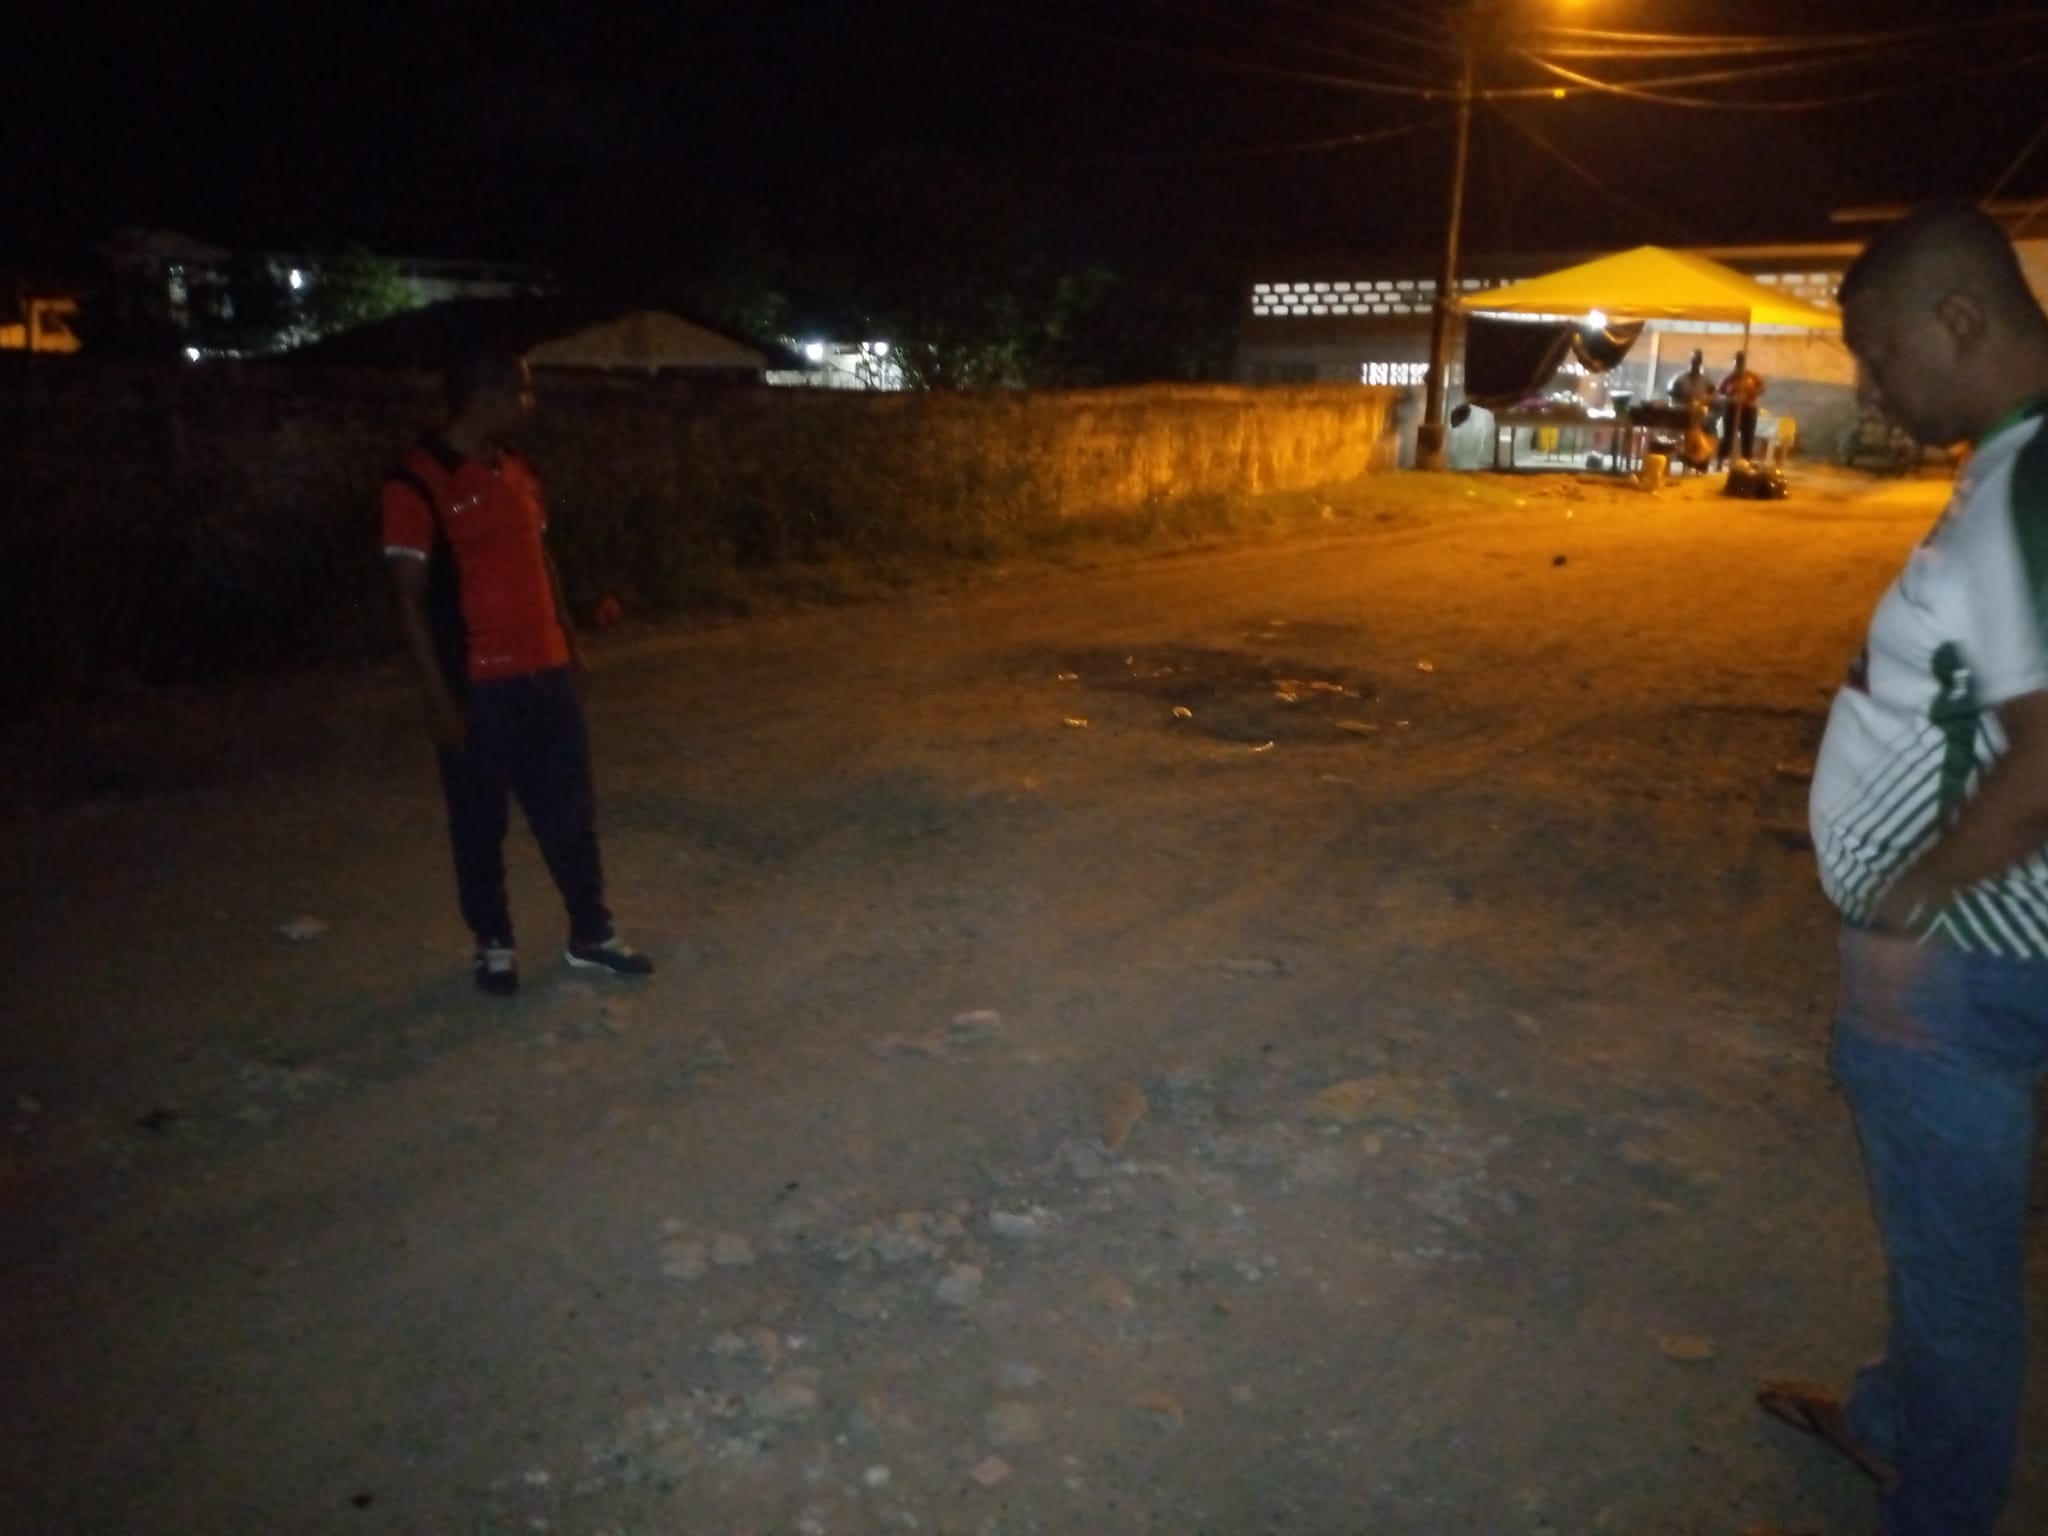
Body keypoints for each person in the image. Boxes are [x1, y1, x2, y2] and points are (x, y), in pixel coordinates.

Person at [1762, 200, 2048, 1536]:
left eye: (1878, 356)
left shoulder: (2032, 483)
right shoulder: (2015, 470)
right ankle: (1894, 1420)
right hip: (1994, 941)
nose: (1868, 388)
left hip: (1966, 956)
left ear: (1960, 318)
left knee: (1955, 1272)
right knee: (1949, 1246)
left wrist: (1908, 914)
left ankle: (1934, 1504)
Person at [380, 350, 654, 997]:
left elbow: (540, 557)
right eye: (522, 393)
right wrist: (437, 697)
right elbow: (407, 599)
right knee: (480, 822)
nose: (530, 404)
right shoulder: (416, 483)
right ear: (488, 397)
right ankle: (494, 942)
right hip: (477, 681)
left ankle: (591, 932)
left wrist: (568, 643)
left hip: (544, 674)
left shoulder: (519, 470)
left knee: (569, 811)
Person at [1715, 349, 1766, 466]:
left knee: (1747, 437)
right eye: (1737, 364)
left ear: (1744, 364)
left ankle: (1746, 462)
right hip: (1732, 409)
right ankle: (1720, 461)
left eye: (1741, 364)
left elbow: (1762, 388)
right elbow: (1720, 392)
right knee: (1728, 437)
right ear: (1734, 364)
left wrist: (1751, 392)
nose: (1739, 366)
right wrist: (1730, 397)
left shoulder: (1752, 376)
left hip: (1748, 410)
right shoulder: (1729, 378)